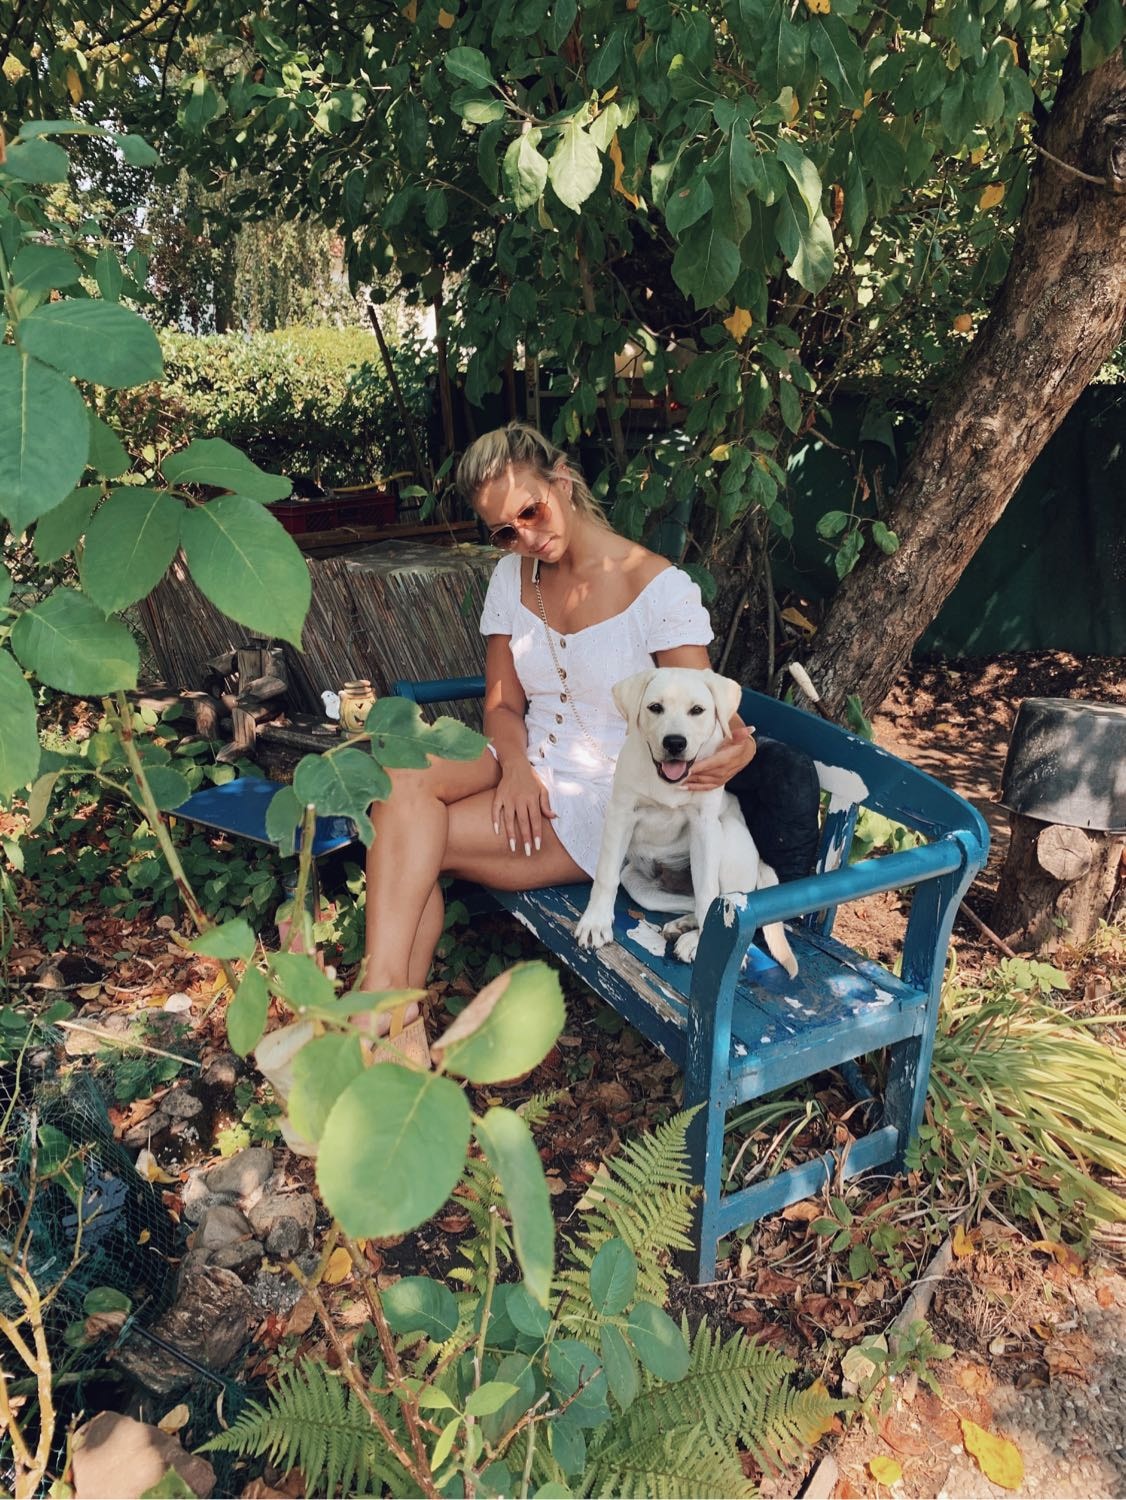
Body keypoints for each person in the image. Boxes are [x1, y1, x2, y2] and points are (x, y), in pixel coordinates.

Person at [359, 422, 756, 1061]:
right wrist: (516, 768)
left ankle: (384, 1014)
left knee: (410, 837)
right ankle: (390, 1003)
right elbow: (502, 704)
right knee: (401, 778)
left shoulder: (657, 588)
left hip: (600, 797)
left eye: (531, 511)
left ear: (562, 481)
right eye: (503, 531)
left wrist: (741, 747)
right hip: (521, 758)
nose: (525, 536)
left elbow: (707, 713)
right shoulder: (511, 579)